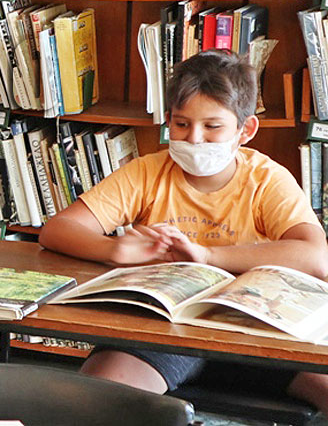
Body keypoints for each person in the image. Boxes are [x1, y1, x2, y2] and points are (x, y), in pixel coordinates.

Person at [40, 49, 328, 413]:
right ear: (168, 122)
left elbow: (315, 257)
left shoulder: (265, 179)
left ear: (245, 130)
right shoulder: (146, 173)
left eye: (212, 127)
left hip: (255, 331)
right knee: (88, 402)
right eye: (181, 124)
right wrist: (112, 249)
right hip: (163, 332)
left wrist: (207, 256)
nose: (194, 139)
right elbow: (57, 229)